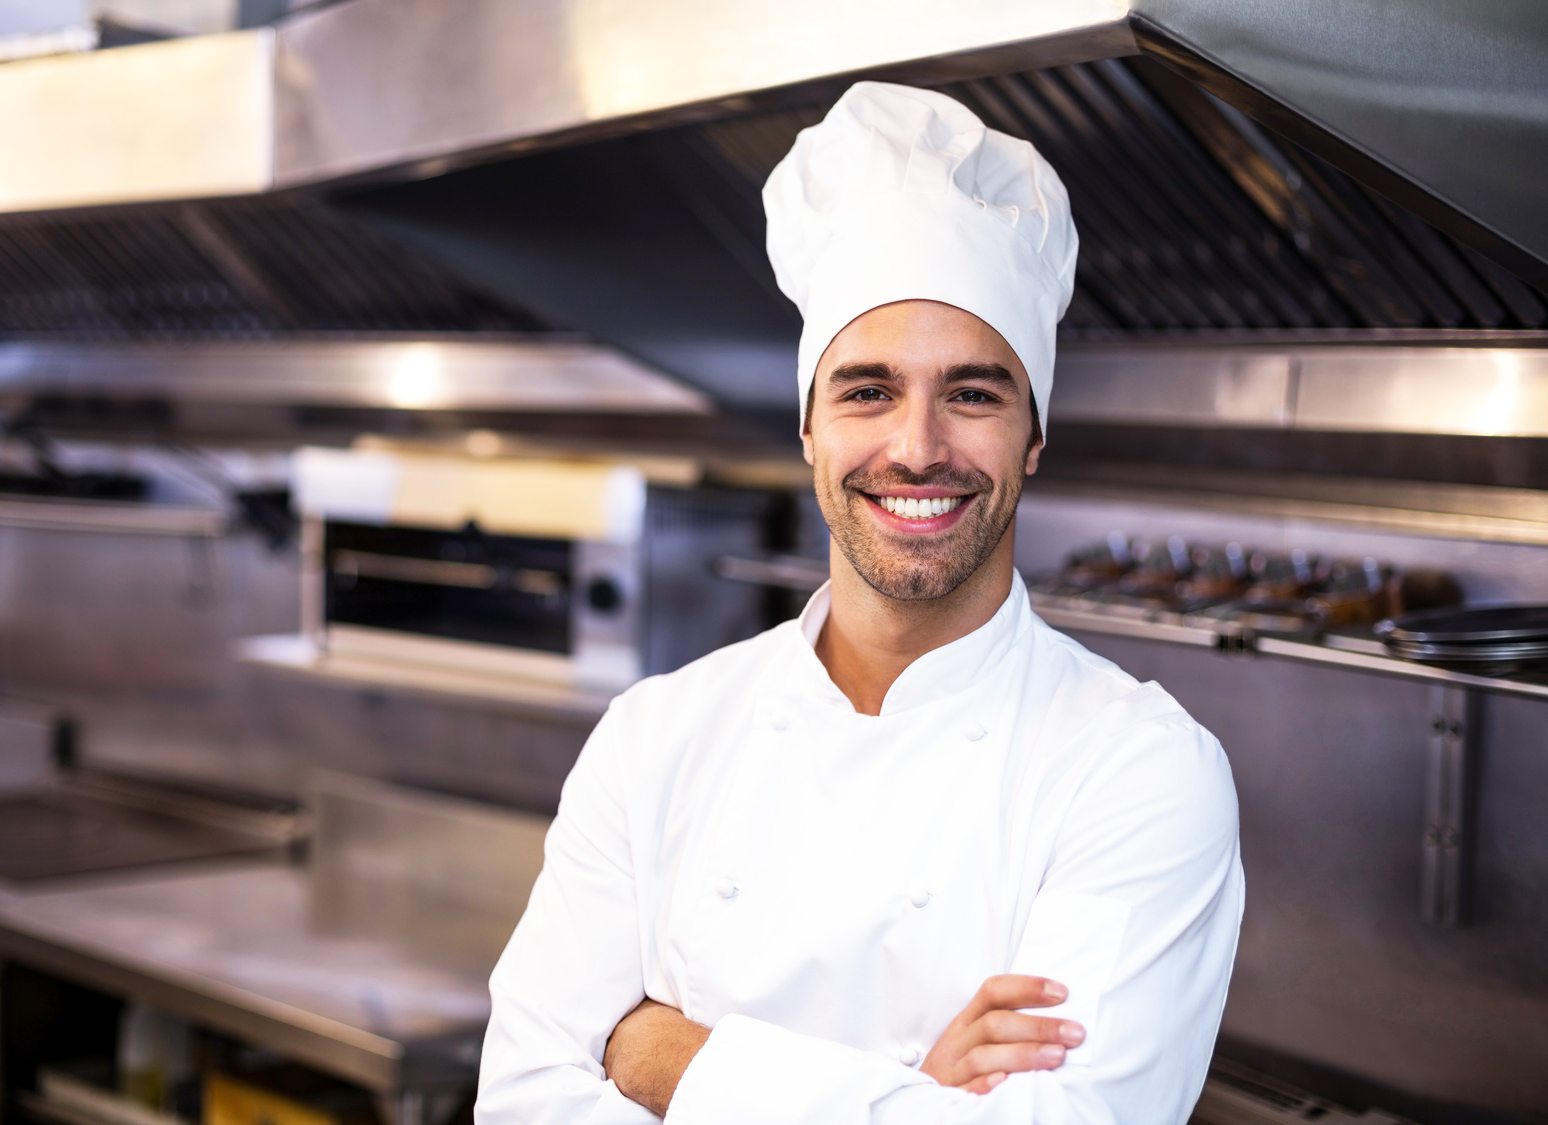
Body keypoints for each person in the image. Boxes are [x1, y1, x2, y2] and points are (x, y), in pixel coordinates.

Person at [475, 81, 1244, 1124]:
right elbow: (522, 1102)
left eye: (971, 393)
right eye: (866, 390)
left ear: (1032, 440)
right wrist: (914, 1098)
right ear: (808, 430)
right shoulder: (655, 739)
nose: (917, 446)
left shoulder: (1138, 770)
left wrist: (654, 1055)